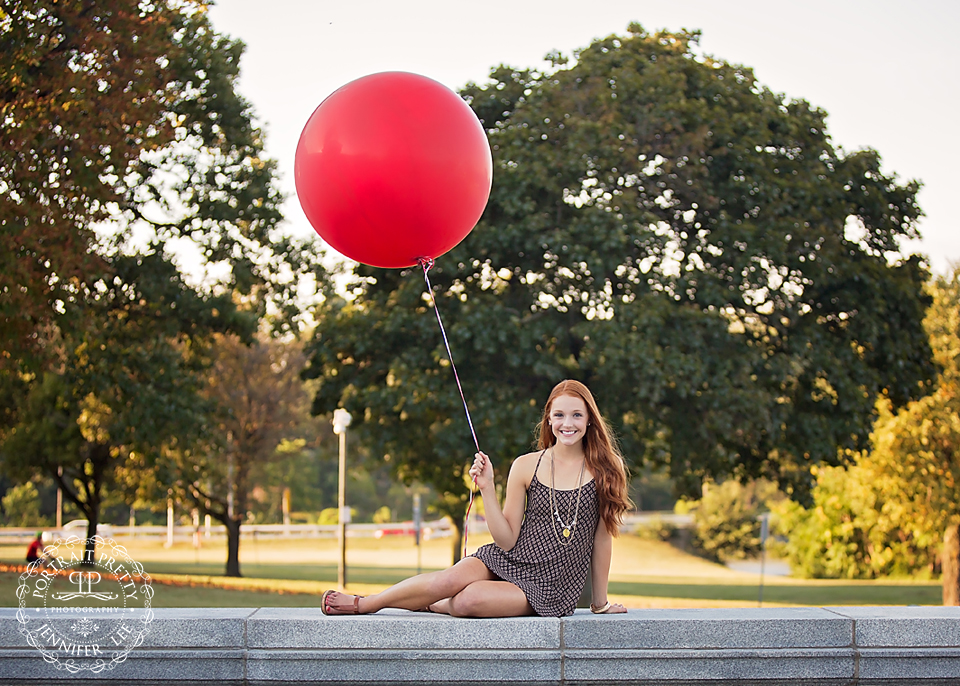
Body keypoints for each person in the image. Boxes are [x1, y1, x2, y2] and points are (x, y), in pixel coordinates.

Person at [321, 379, 631, 617]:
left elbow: (603, 539)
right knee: (447, 580)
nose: (568, 423)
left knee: (469, 599)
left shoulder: (606, 469)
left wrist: (599, 603)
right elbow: (508, 540)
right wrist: (486, 487)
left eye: (577, 415)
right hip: (510, 558)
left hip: (552, 585)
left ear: (590, 419)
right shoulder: (526, 465)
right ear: (548, 419)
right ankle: (367, 604)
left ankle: (433, 605)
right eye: (559, 414)